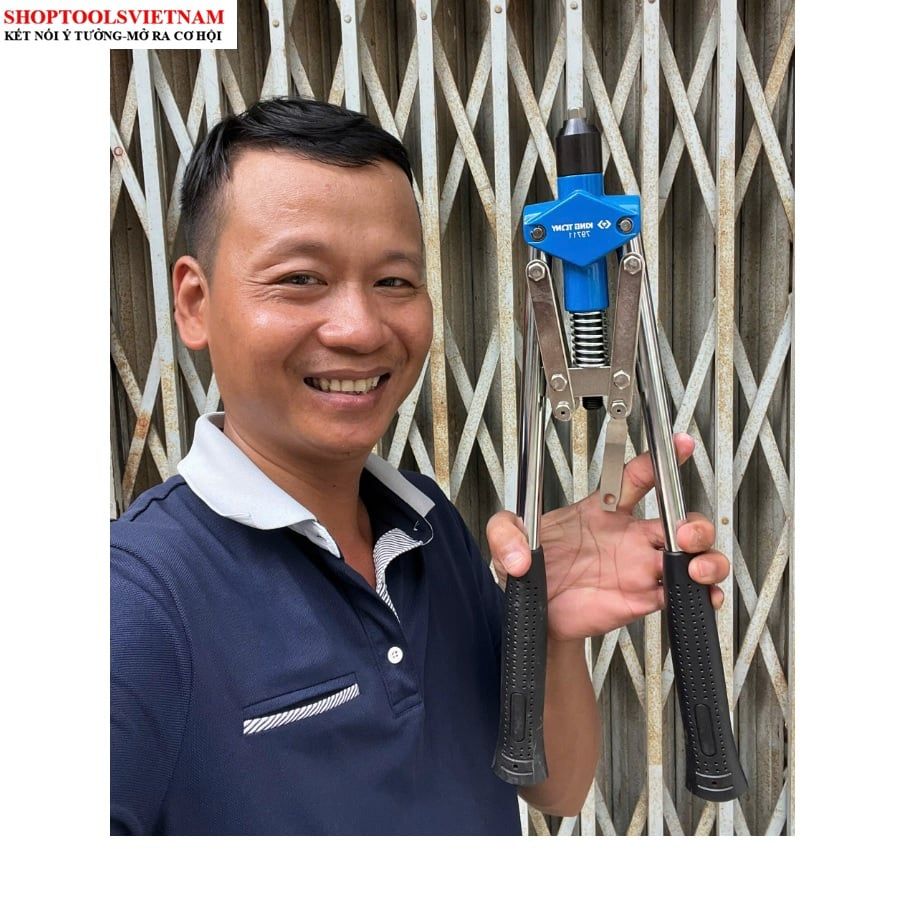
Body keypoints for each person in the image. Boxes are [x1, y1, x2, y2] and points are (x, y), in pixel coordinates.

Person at [110, 97, 729, 835]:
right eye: (301, 278)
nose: (360, 328)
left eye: (394, 282)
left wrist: (554, 633)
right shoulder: (135, 603)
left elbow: (557, 789)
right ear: (194, 303)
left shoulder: (430, 525)